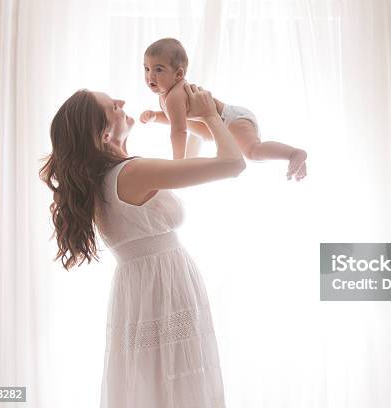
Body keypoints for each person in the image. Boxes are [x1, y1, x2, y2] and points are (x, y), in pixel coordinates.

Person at [39, 83, 241, 408]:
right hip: (164, 285)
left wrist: (186, 120)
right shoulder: (133, 173)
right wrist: (210, 116)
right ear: (103, 135)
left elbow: (186, 158)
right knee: (178, 387)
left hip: (141, 290)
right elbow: (233, 164)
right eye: (111, 107)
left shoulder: (102, 182)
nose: (121, 101)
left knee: (152, 385)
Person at [140, 37, 308, 181]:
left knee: (252, 151)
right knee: (251, 153)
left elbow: (179, 130)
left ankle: (293, 154)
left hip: (232, 119)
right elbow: (174, 119)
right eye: (147, 69)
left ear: (178, 74)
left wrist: (177, 162)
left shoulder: (175, 96)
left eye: (158, 69)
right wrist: (155, 116)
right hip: (228, 121)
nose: (150, 76)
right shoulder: (166, 96)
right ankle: (298, 164)